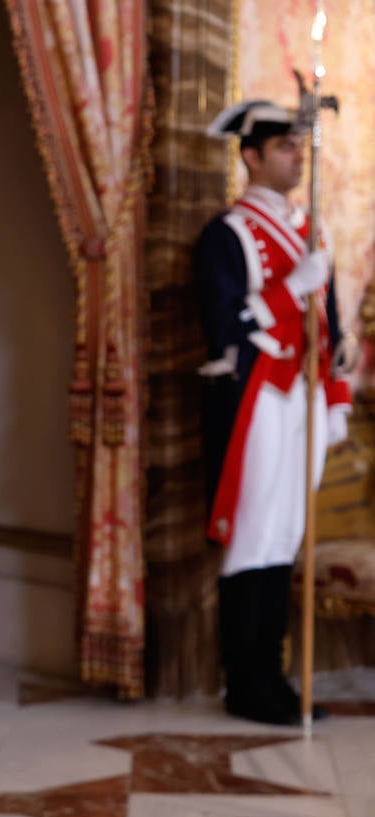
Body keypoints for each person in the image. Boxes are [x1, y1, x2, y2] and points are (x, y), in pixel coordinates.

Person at [195, 99, 352, 726]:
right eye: (283, 146)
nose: (296, 156)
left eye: (298, 145)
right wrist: (292, 286)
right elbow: (223, 324)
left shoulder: (311, 228)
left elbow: (328, 322)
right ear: (251, 155)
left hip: (303, 393)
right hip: (256, 395)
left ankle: (276, 679)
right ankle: (248, 682)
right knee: (254, 534)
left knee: (285, 535)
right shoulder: (225, 234)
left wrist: (337, 356)